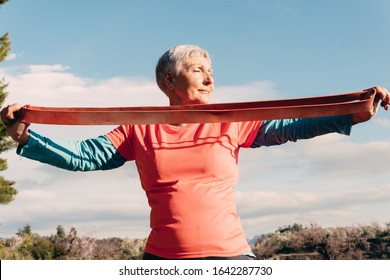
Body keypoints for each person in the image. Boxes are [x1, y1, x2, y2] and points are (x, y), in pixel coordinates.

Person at [1, 45, 389, 260]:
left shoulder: (230, 121)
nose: (210, 77)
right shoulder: (139, 127)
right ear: (169, 79)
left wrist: (350, 114)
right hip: (161, 263)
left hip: (232, 260)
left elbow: (290, 127)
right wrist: (26, 138)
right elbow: (86, 155)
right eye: (198, 68)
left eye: (211, 69)